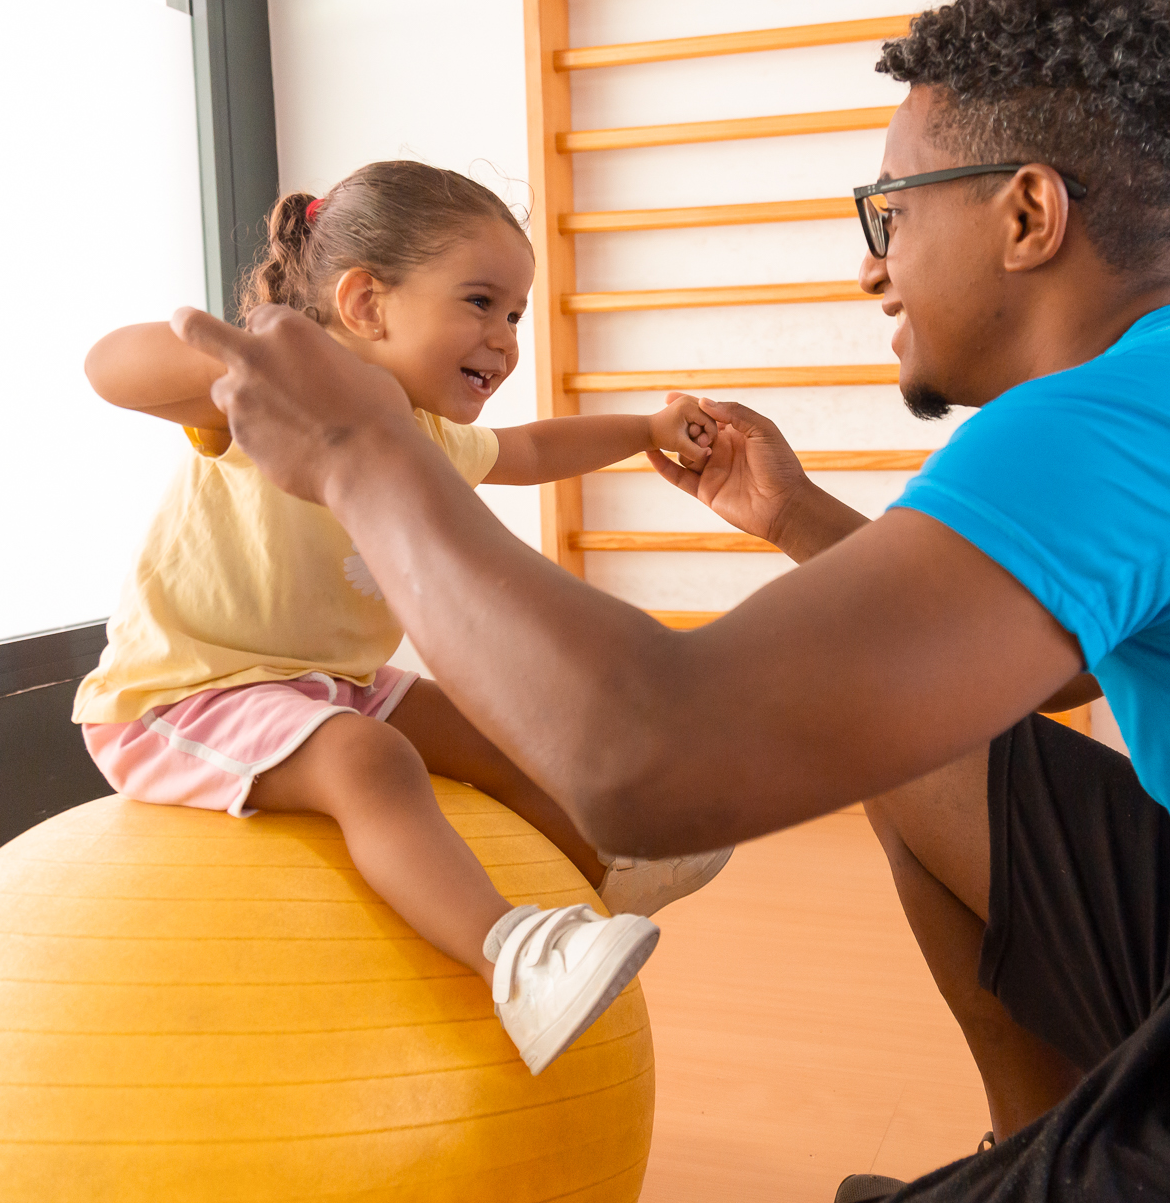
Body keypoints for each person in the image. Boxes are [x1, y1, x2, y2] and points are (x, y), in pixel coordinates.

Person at [170, 0, 1170, 1202]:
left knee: (811, 729)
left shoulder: (1112, 424)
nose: (868, 263)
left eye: (887, 213)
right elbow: (1033, 676)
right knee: (922, 745)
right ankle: (1038, 1151)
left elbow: (648, 764)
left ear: (1027, 211)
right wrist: (794, 519)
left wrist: (366, 457)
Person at [72, 160, 731, 1075]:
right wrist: (229, 355)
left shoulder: (418, 430)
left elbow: (532, 448)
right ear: (365, 303)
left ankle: (608, 872)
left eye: (515, 315)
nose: (504, 340)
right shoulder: (270, 397)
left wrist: (646, 428)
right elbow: (109, 368)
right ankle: (511, 959)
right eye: (480, 302)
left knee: (498, 730)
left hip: (323, 679)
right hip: (182, 696)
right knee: (365, 756)